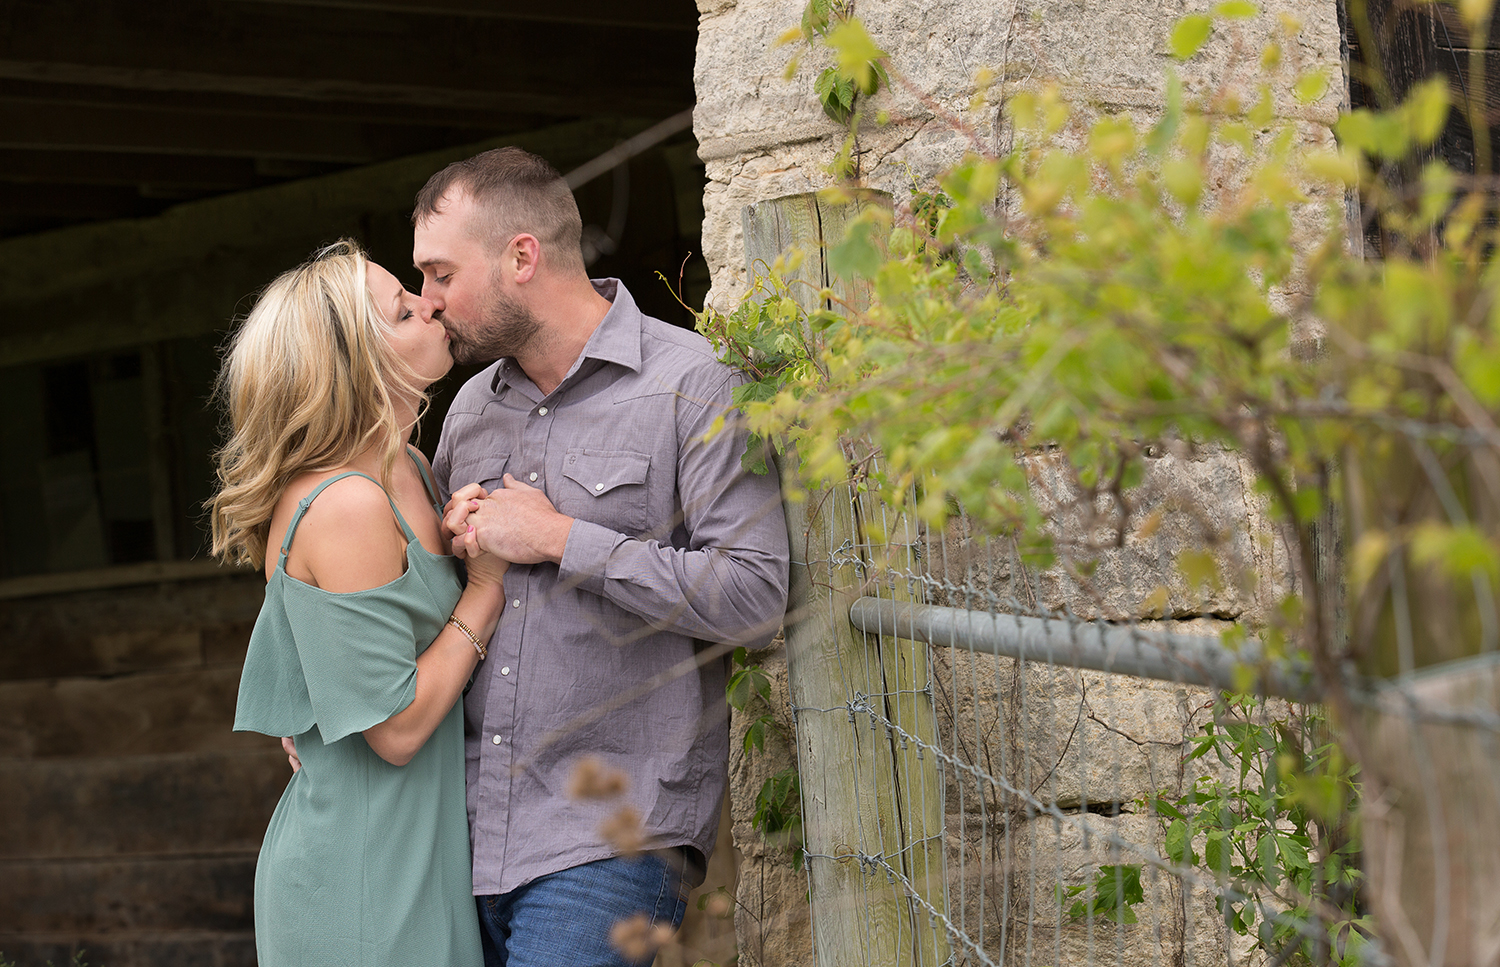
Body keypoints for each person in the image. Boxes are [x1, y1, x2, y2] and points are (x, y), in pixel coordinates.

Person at [411, 147, 791, 967]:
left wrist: (561, 539)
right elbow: (432, 597)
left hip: (612, 839)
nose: (428, 302)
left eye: (441, 274)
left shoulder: (696, 384)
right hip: (459, 829)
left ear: (521, 256)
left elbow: (757, 595)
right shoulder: (471, 408)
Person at [210, 240, 505, 967]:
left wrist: (447, 534)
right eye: (404, 309)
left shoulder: (403, 464)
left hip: (419, 857)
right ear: (360, 366)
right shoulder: (345, 502)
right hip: (364, 876)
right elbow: (396, 730)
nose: (429, 302)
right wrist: (485, 588)